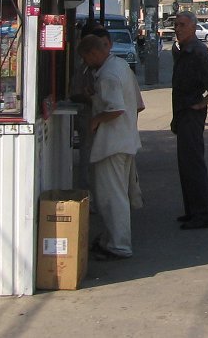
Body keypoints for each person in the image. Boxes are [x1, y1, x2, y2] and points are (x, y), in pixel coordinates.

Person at [79, 33, 142, 260]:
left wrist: (96, 120)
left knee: (111, 197)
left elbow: (116, 109)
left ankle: (119, 244)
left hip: (112, 144)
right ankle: (111, 239)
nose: (86, 63)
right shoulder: (120, 65)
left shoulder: (109, 75)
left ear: (93, 53)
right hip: (125, 140)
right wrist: (95, 98)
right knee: (115, 194)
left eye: (86, 58)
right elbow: (134, 103)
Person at [171, 11, 208, 230]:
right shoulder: (183, 50)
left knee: (193, 164)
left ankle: (202, 214)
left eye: (182, 24)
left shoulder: (197, 51)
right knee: (185, 164)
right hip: (182, 113)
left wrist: (202, 104)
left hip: (191, 113)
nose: (178, 28)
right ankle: (192, 211)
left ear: (193, 27)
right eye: (175, 24)